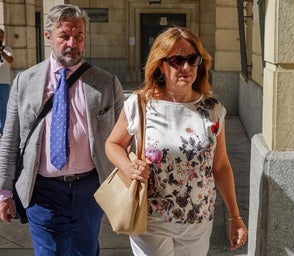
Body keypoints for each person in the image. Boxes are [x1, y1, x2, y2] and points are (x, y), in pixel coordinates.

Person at [105, 26, 248, 256]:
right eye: (177, 60)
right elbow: (112, 144)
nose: (186, 67)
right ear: (161, 64)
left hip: (198, 219)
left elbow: (220, 165)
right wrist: (129, 166)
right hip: (151, 218)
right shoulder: (140, 104)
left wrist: (235, 216)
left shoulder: (213, 109)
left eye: (192, 60)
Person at [0, 4, 124, 255]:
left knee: (86, 250)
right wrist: (4, 191)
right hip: (43, 191)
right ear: (48, 36)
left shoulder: (106, 83)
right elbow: (10, 139)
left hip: (90, 191)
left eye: (79, 36)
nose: (72, 43)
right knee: (49, 252)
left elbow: (123, 140)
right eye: (64, 36)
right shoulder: (26, 81)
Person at [0, 28, 14, 138]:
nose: (0, 38)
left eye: (1, 36)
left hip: (4, 82)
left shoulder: (7, 49)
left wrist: (1, 51)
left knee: (4, 107)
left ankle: (3, 129)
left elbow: (10, 60)